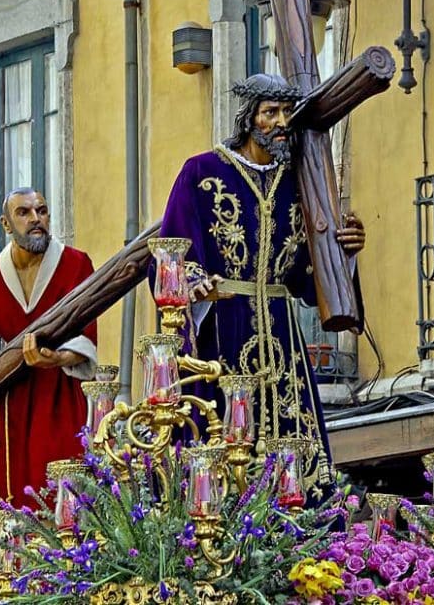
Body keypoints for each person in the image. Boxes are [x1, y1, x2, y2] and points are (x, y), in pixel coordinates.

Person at [157, 73, 366, 501]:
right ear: (248, 119)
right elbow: (171, 247)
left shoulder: (300, 180)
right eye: (270, 112)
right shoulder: (202, 172)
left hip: (282, 335)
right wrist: (196, 284)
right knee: (219, 440)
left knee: (296, 448)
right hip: (223, 330)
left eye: (287, 113)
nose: (280, 122)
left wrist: (345, 250)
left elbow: (310, 277)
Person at [0, 188, 98, 505]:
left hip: (60, 397)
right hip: (10, 404)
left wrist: (58, 358)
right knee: (12, 506)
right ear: (6, 224)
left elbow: (86, 333)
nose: (36, 219)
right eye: (24, 212)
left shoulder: (75, 264)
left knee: (63, 492)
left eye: (42, 210)